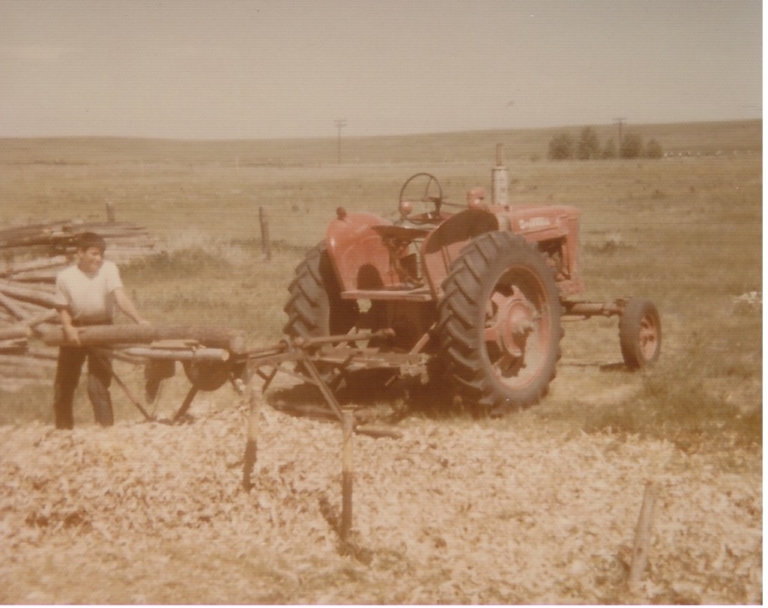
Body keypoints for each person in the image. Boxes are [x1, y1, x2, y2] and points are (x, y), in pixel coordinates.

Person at [52, 231, 150, 429]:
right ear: (80, 253)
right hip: (77, 329)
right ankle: (63, 431)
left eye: (101, 254)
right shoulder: (65, 277)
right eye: (94, 254)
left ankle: (105, 430)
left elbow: (120, 297)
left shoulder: (108, 269)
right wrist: (68, 327)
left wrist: (139, 320)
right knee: (64, 383)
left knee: (97, 385)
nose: (98, 259)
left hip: (103, 328)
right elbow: (62, 308)